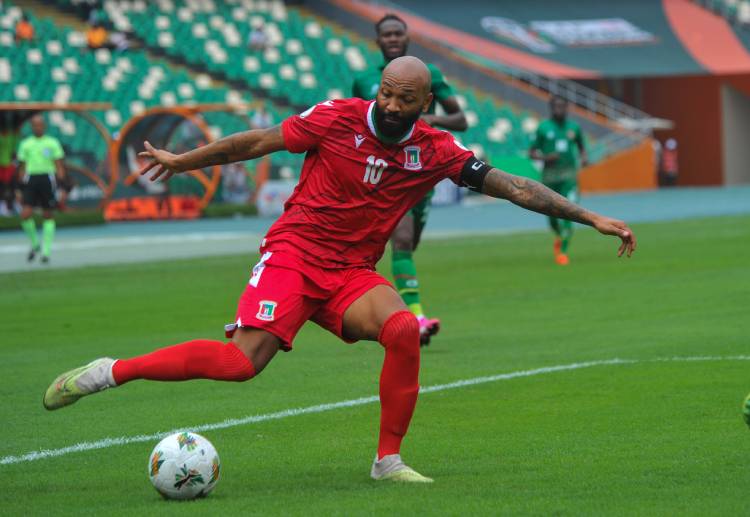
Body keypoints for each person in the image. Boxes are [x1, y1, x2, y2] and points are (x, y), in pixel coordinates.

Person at [42, 57, 635, 483]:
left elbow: (514, 187)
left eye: (406, 98)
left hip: (351, 272)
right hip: (295, 256)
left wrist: (589, 217)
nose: (392, 104)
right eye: (387, 92)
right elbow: (256, 143)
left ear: (425, 104)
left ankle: (387, 462)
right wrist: (183, 159)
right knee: (241, 364)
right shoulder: (335, 117)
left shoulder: (434, 150)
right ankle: (109, 371)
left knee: (404, 330)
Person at [352, 13, 468, 346]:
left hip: (420, 170)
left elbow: (459, 118)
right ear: (378, 41)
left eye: (397, 34)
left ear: (406, 39)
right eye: (386, 34)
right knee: (401, 241)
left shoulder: (428, 75)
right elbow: (357, 123)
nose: (392, 39)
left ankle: (399, 311)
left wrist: (424, 116)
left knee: (408, 247)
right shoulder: (363, 80)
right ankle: (415, 317)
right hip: (385, 172)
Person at [529, 95, 589, 266]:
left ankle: (563, 251)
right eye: (556, 106)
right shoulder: (543, 128)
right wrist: (545, 157)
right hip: (549, 176)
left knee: (570, 210)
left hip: (569, 175)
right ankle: (558, 234)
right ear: (551, 108)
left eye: (562, 106)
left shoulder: (574, 128)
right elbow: (531, 152)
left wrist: (584, 158)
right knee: (552, 214)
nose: (559, 109)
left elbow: (582, 147)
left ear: (567, 108)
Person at [17, 114, 65, 263]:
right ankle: (35, 244)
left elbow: (58, 165)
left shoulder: (52, 143)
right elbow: (22, 167)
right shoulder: (26, 144)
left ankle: (46, 251)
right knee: (25, 214)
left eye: (40, 124)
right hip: (31, 179)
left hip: (47, 179)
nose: (37, 127)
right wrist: (19, 188)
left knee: (48, 214)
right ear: (32, 127)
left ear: (44, 126)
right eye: (34, 125)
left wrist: (62, 185)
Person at [0, 113, 20, 215]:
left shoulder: (11, 136)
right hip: (2, 166)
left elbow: (13, 151)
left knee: (10, 186)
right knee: (3, 186)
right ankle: (3, 205)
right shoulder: (5, 137)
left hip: (8, 166)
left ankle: (11, 204)